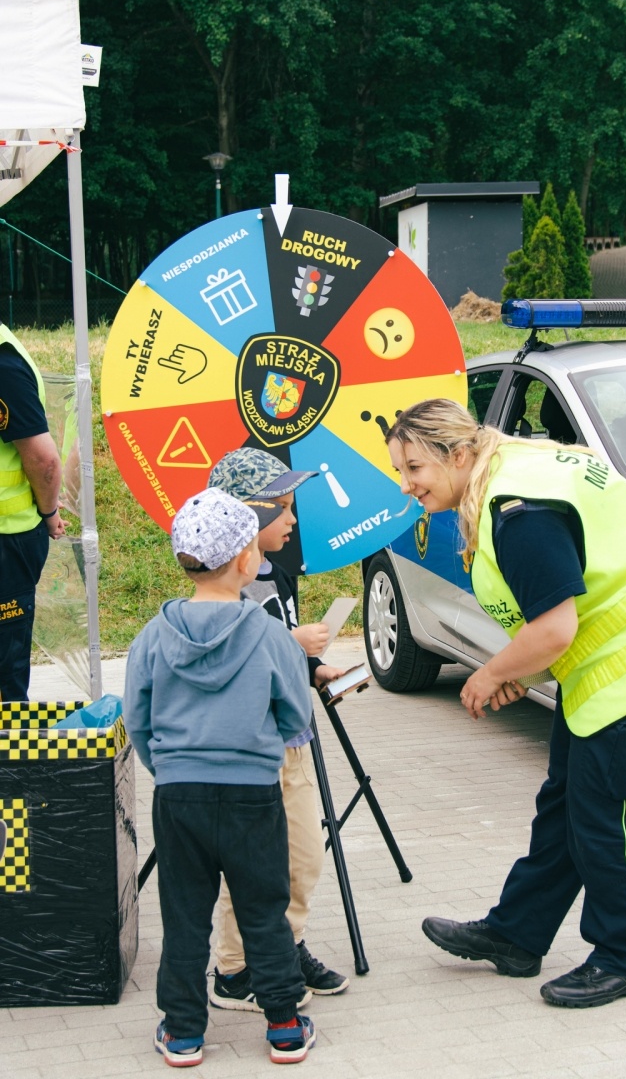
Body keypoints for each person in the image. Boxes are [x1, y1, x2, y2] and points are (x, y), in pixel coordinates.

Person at [385, 399, 626, 1009]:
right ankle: (516, 935)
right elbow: (560, 617)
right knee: (567, 796)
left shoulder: (518, 511)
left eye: (415, 467)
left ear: (460, 455)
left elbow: (554, 629)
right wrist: (517, 671)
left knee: (611, 809)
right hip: (624, 646)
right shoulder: (511, 463)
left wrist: (490, 674)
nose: (407, 484)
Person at [124, 488, 316, 1066]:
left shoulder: (153, 637)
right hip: (253, 795)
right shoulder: (268, 634)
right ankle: (283, 1024)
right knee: (264, 910)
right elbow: (297, 715)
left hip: (179, 795)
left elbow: (138, 719)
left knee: (184, 913)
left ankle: (182, 1032)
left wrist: (170, 767)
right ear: (243, 559)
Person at [206, 448, 350, 1008]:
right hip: (249, 746)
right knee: (252, 861)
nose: (293, 520)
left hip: (292, 739)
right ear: (246, 516)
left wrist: (317, 669)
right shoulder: (223, 582)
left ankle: (286, 944)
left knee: (301, 857)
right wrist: (291, 645)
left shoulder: (279, 572)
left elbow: (283, 648)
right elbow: (223, 654)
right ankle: (237, 968)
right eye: (283, 509)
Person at [0, 324, 66, 702]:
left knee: (5, 674)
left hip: (8, 539)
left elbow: (43, 460)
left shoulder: (5, 367)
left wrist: (48, 511)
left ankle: (9, 757)